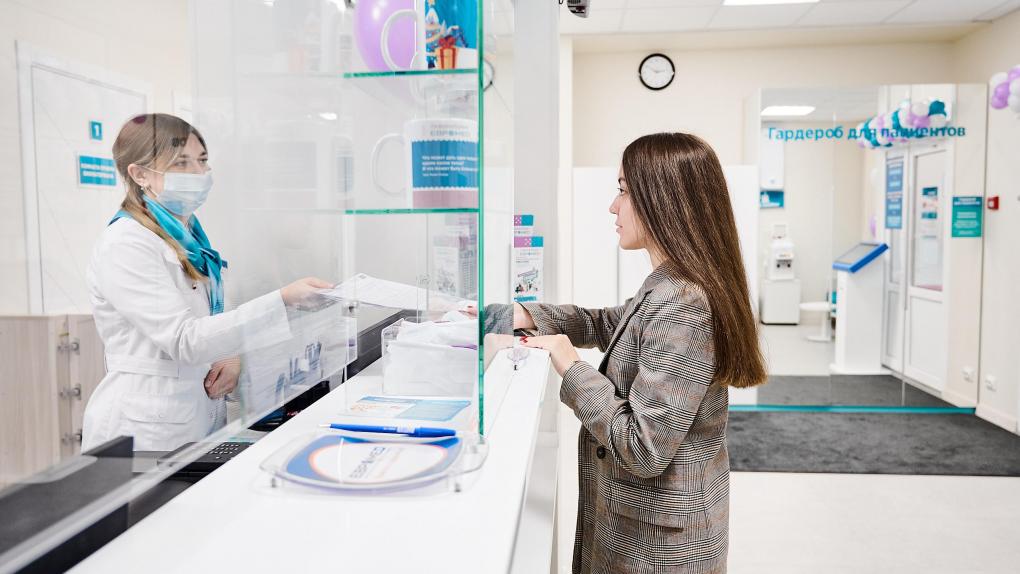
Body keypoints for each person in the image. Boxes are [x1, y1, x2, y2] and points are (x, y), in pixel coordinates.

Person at [518, 133, 767, 573]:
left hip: (659, 551)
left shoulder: (684, 302)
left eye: (623, 191)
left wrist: (571, 366)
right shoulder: (669, 284)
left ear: (662, 199)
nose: (613, 207)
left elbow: (642, 447)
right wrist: (522, 314)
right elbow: (605, 323)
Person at [81, 113, 332, 452]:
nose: (198, 173)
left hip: (191, 417)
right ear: (140, 174)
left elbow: (208, 319)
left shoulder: (188, 237)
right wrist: (282, 300)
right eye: (180, 163)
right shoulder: (126, 244)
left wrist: (229, 354)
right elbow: (184, 339)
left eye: (201, 160)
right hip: (145, 431)